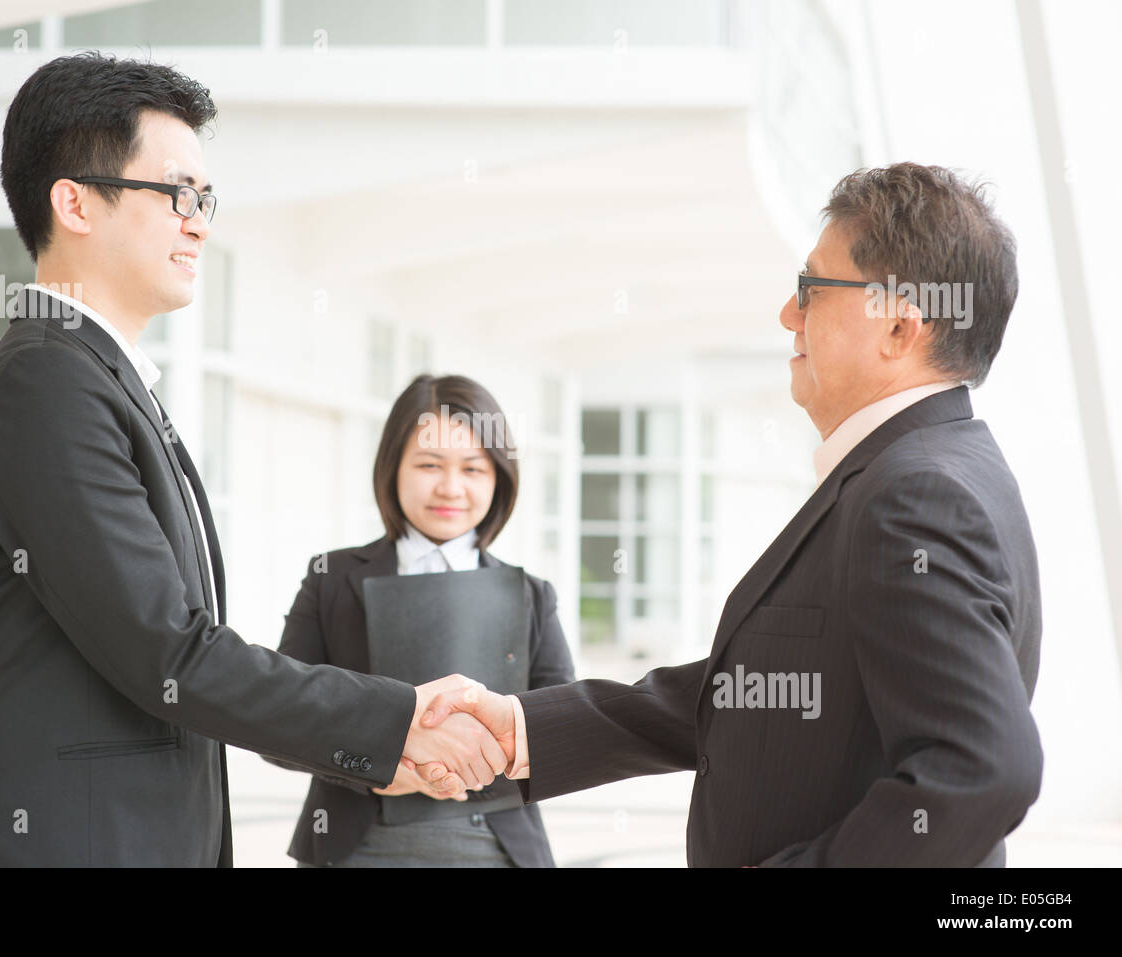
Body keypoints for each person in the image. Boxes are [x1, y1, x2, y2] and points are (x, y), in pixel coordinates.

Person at [0, 53, 501, 867]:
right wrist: (395, 719)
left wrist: (383, 748)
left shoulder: (103, 379)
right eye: (176, 193)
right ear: (75, 202)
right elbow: (168, 651)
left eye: (206, 199)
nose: (199, 221)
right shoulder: (44, 383)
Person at [420, 162, 1044, 867]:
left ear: (898, 326)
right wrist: (524, 726)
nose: (788, 313)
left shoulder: (917, 496)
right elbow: (772, 688)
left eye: (811, 288)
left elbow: (986, 770)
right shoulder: (925, 468)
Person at [266, 374, 576, 867]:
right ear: (393, 468)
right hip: (356, 847)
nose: (450, 487)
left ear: (499, 478)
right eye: (430, 464)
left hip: (497, 850)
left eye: (473, 469)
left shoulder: (532, 595)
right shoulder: (332, 578)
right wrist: (377, 764)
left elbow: (563, 732)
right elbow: (276, 720)